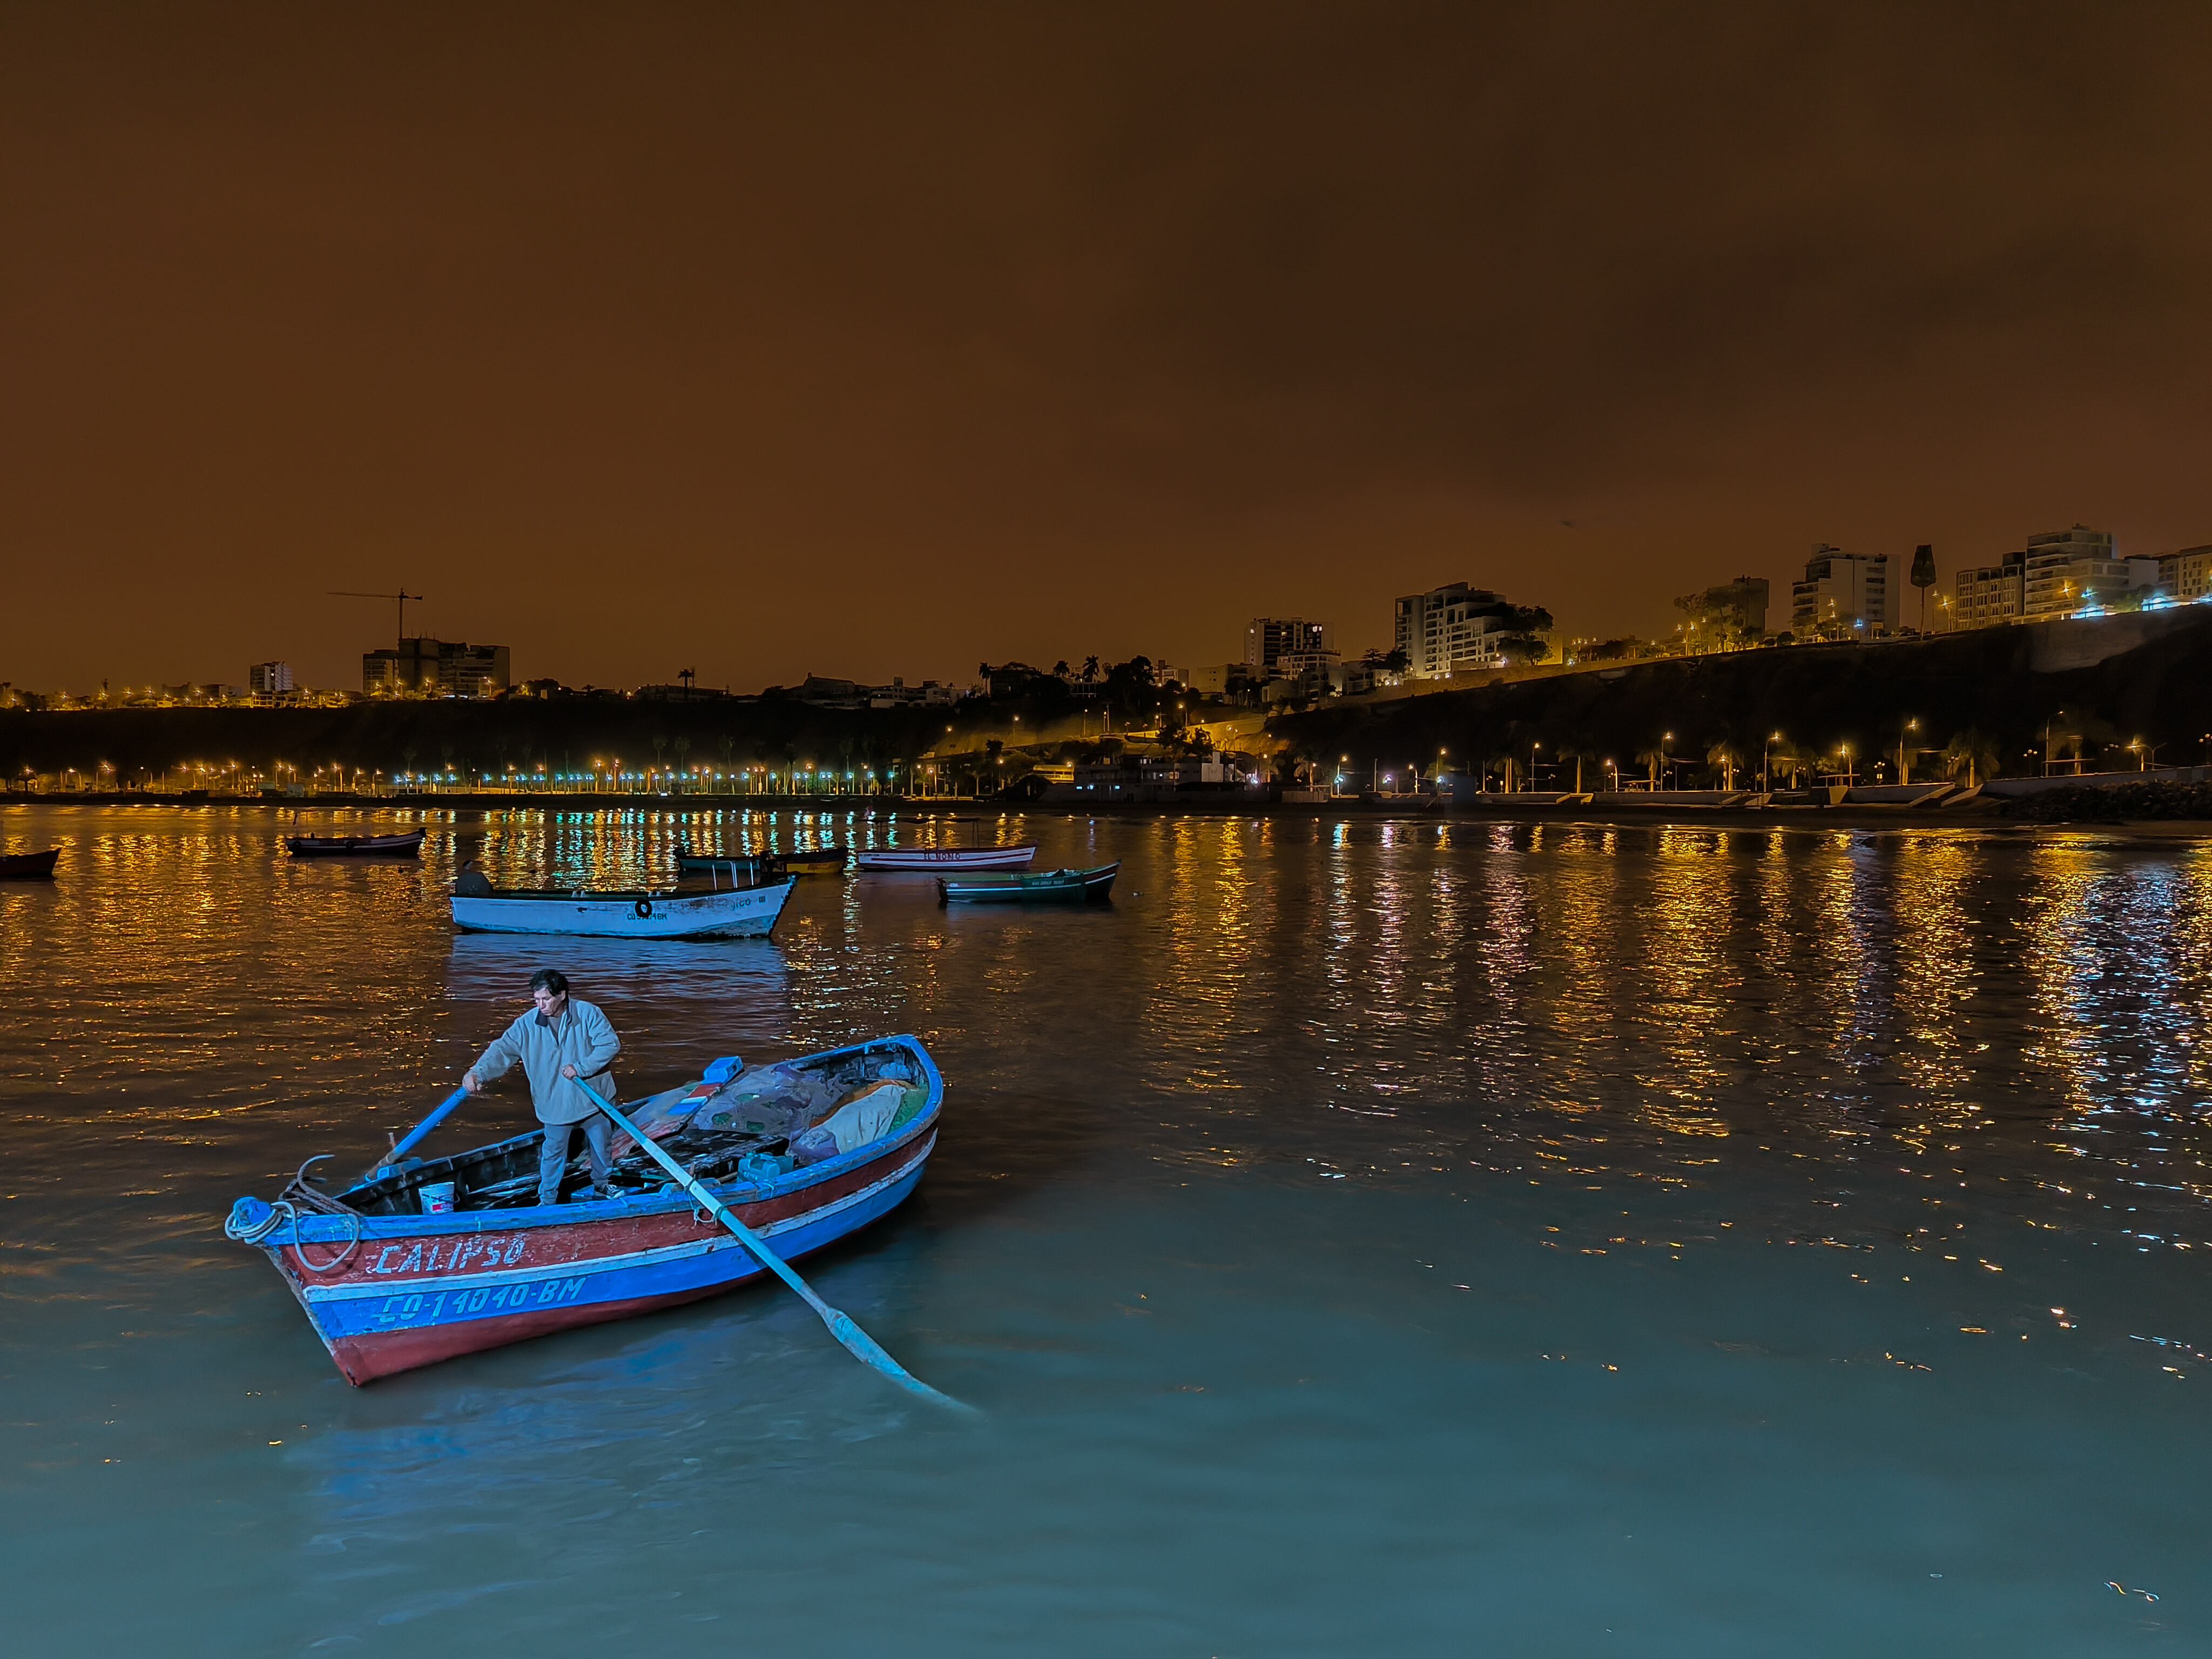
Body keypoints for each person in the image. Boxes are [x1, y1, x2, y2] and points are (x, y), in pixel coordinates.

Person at [463, 968, 622, 1206]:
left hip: (594, 1100)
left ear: (562, 995)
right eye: (537, 1000)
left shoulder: (588, 1013)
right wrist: (478, 1072)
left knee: (601, 1146)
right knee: (553, 1153)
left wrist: (581, 1068)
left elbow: (609, 1045)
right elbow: (502, 1049)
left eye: (546, 999)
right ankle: (547, 1200)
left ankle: (602, 1185)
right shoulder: (526, 1025)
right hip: (555, 1102)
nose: (541, 1005)